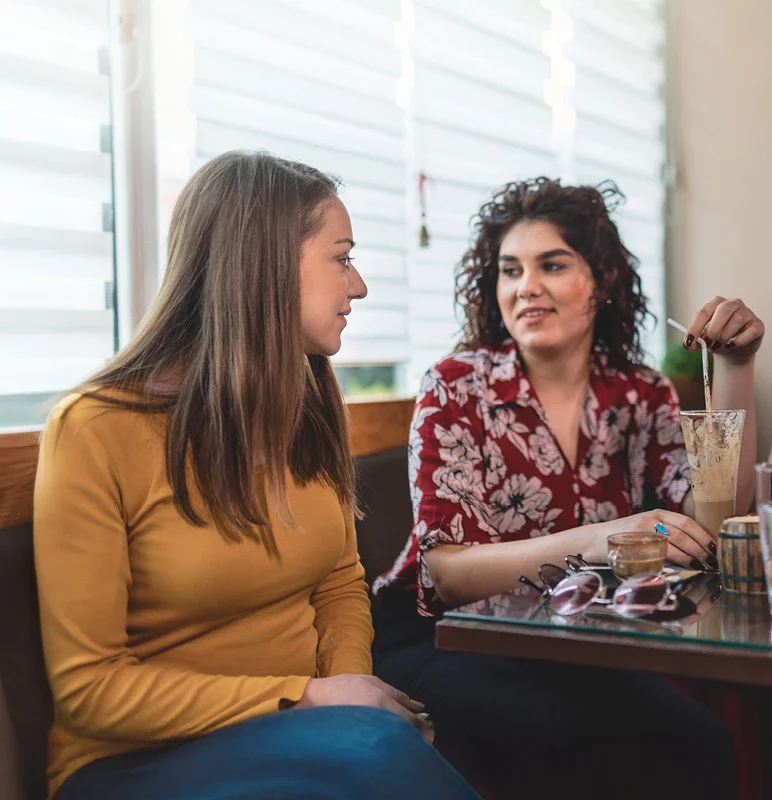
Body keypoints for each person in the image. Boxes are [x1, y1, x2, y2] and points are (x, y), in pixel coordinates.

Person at [35, 150, 478, 800]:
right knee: (382, 752)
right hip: (135, 763)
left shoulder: (308, 404)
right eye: (341, 257)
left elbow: (339, 586)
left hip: (311, 735)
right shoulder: (93, 429)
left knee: (390, 743)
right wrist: (312, 699)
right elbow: (91, 691)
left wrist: (350, 703)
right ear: (264, 265)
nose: (357, 286)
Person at [373, 177, 763, 799]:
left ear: (602, 281)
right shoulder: (453, 387)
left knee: (701, 742)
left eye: (551, 264)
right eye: (509, 270)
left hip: (570, 639)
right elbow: (445, 574)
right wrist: (604, 540)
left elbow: (713, 522)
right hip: (440, 637)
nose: (526, 285)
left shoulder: (640, 394)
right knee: (552, 737)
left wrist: (736, 367)